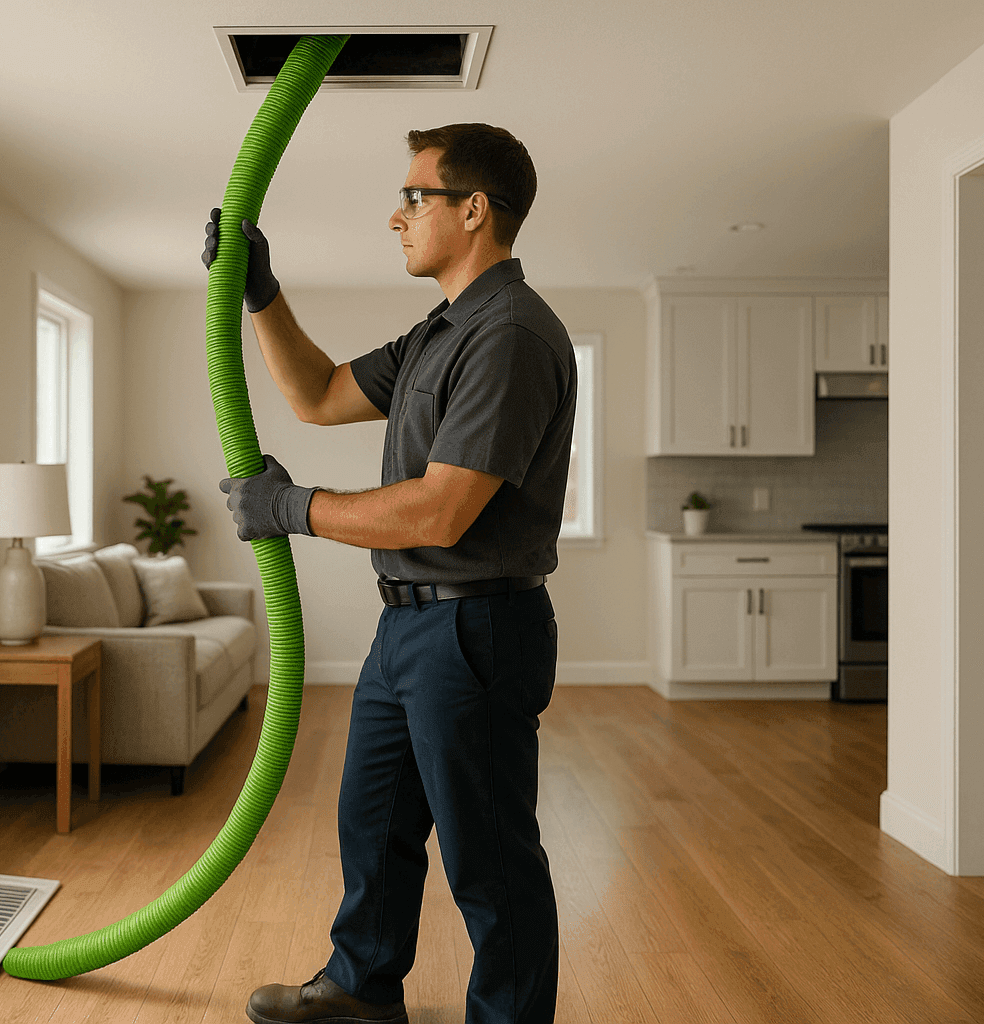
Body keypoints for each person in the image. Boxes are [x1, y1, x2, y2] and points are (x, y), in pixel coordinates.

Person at [205, 122, 575, 1024]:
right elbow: (320, 393)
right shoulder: (440, 331)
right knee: (373, 824)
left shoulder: (514, 335)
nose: (396, 217)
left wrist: (294, 509)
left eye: (416, 197)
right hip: (408, 622)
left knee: (489, 862)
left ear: (474, 209)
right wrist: (262, 294)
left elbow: (442, 509)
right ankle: (362, 988)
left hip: (475, 629)